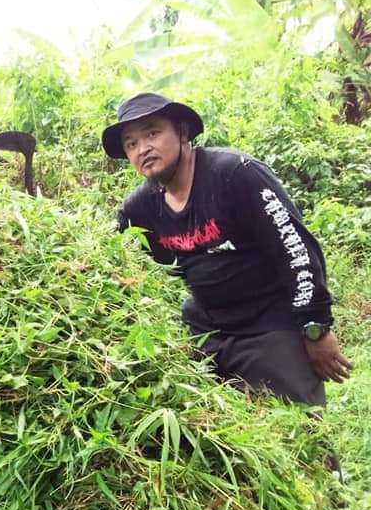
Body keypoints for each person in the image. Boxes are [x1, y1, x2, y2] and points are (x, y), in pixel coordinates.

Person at [103, 92, 353, 408]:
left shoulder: (236, 174)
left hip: (270, 327)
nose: (143, 149)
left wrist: (314, 328)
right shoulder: (139, 208)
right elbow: (111, 263)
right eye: (131, 143)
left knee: (300, 440)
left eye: (153, 133)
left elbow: (296, 249)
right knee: (216, 443)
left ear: (181, 131)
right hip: (203, 335)